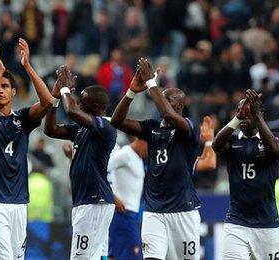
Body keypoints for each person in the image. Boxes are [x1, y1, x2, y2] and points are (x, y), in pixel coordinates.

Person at [111, 57, 201, 260]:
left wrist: (152, 83)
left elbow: (168, 116)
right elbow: (117, 121)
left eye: (167, 99)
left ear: (179, 105)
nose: (160, 101)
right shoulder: (151, 127)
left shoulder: (188, 127)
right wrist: (132, 91)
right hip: (154, 211)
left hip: (183, 211)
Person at [0, 39, 53, 259]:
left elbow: (47, 102)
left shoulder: (23, 119)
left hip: (19, 203)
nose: (0, 90)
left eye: (5, 86)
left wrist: (27, 65)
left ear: (14, 92)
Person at [44, 65, 117, 259]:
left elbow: (72, 111)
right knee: (96, 256)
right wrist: (55, 98)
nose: (78, 103)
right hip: (89, 201)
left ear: (94, 107)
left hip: (94, 200)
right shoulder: (81, 129)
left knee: (81, 257)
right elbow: (50, 129)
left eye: (82, 101)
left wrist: (65, 88)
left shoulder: (105, 127)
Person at [212, 90, 279, 259]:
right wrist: (237, 118)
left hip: (267, 224)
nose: (243, 117)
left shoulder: (273, 140)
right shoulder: (233, 141)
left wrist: (256, 115)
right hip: (237, 222)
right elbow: (216, 145)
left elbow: (274, 149)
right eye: (240, 112)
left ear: (259, 115)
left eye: (248, 114)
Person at [107, 137, 147, 260]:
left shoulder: (138, 158)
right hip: (123, 214)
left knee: (115, 255)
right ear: (142, 141)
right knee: (133, 255)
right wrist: (112, 196)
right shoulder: (125, 154)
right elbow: (99, 170)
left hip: (130, 215)